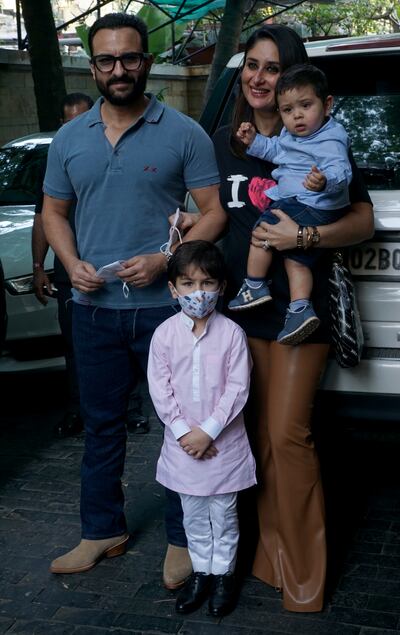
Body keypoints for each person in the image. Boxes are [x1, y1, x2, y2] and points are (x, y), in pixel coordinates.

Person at [175, 24, 374, 612]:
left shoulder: (319, 136)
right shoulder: (222, 142)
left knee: (288, 435)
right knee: (254, 436)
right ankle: (269, 561)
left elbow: (362, 220)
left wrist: (303, 236)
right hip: (238, 312)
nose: (260, 78)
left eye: (273, 68)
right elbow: (211, 214)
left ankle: (305, 580)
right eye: (252, 66)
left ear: (293, 79)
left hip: (298, 312)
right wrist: (180, 237)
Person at [42, 13, 226, 578]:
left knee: (180, 424)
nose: (118, 69)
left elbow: (214, 214)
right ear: (93, 66)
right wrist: (70, 263)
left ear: (146, 61)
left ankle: (183, 538)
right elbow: (54, 213)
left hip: (166, 312)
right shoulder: (69, 138)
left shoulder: (184, 133)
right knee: (100, 427)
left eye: (129, 58)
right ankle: (103, 530)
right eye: (106, 60)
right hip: (94, 312)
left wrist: (167, 260)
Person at [147, 241, 256, 617]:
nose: (198, 293)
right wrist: (184, 432)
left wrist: (208, 431)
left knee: (224, 514)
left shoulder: (232, 334)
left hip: (223, 444)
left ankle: (224, 574)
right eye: (188, 284)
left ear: (221, 287)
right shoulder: (164, 335)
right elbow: (160, 388)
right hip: (183, 446)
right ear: (173, 288)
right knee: (192, 514)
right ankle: (201, 573)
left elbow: (237, 388)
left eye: (207, 283)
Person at [229, 64, 353, 346]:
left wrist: (325, 181)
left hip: (315, 202)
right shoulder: (291, 135)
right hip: (308, 203)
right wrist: (253, 141)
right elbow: (275, 150)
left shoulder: (330, 138)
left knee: (263, 229)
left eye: (305, 106)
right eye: (287, 110)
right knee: (295, 258)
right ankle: (300, 309)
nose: (297, 115)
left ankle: (254, 285)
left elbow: (341, 170)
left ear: (327, 104)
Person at [32, 93, 94, 438]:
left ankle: (130, 409)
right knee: (74, 343)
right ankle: (77, 409)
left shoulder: (106, 152)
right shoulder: (55, 158)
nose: (76, 128)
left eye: (83, 120)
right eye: (69, 123)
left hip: (109, 265)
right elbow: (43, 217)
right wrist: (38, 266)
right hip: (69, 270)